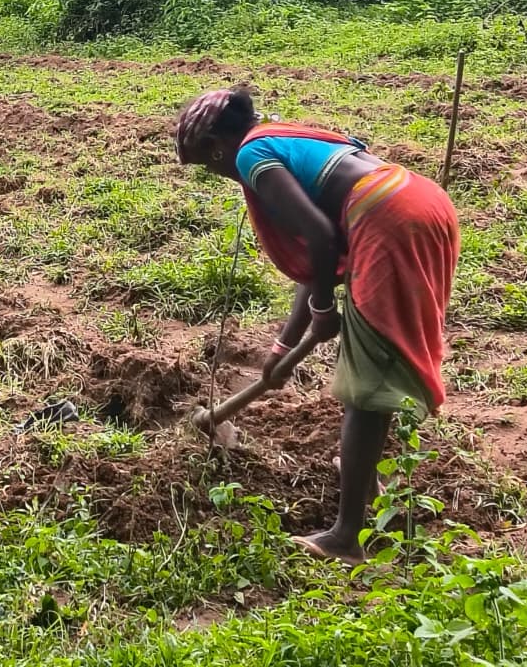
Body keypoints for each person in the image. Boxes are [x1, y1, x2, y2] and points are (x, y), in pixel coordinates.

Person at [175, 87, 460, 566]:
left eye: (208, 164)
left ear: (216, 146)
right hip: (419, 200)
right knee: (373, 360)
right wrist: (282, 346)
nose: (218, 173)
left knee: (366, 383)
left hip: (388, 220)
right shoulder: (278, 139)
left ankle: (346, 537)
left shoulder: (252, 155)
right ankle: (365, 480)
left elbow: (321, 237)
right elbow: (316, 259)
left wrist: (327, 308)